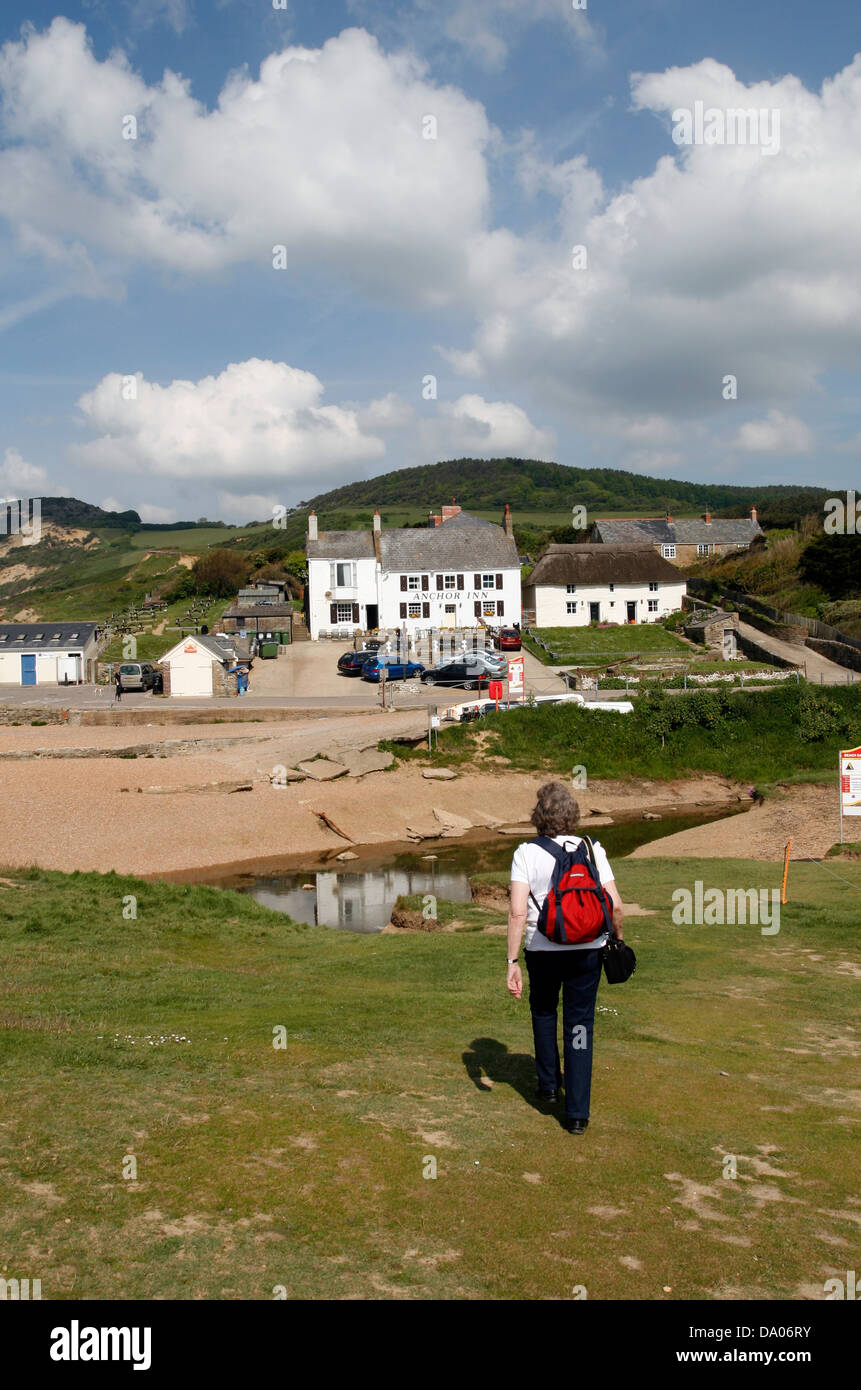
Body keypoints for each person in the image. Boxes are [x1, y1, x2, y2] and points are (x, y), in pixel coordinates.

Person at [506, 781, 624, 1135]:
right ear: (572, 816)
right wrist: (618, 941)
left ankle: (547, 1087)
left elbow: (516, 912)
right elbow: (615, 905)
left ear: (539, 817)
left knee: (543, 1011)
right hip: (588, 949)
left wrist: (512, 963)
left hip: (542, 949)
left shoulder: (526, 852)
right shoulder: (592, 848)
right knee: (579, 1025)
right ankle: (576, 1113)